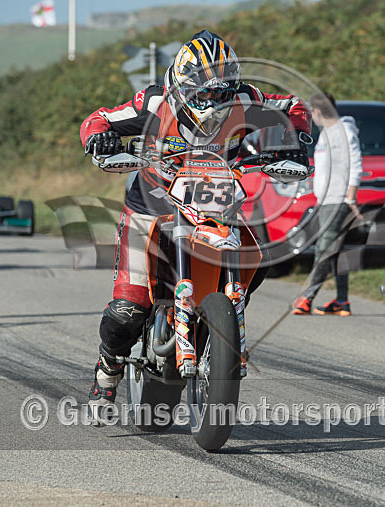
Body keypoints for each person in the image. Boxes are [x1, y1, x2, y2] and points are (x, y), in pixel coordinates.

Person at [80, 30, 310, 413]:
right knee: (129, 308)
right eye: (205, 93)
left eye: (222, 93)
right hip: (151, 207)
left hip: (217, 206)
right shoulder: (155, 102)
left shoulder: (247, 98)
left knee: (257, 255)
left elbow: (292, 104)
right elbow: (100, 118)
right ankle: (108, 368)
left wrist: (296, 139)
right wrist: (100, 140)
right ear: (182, 86)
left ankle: (217, 329)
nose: (214, 101)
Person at [292, 92, 362, 317]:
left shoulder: (344, 131)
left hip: (338, 200)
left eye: (313, 113)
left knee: (323, 248)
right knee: (335, 252)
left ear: (319, 112)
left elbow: (356, 162)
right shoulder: (325, 135)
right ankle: (342, 301)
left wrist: (350, 196)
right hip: (325, 201)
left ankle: (306, 298)